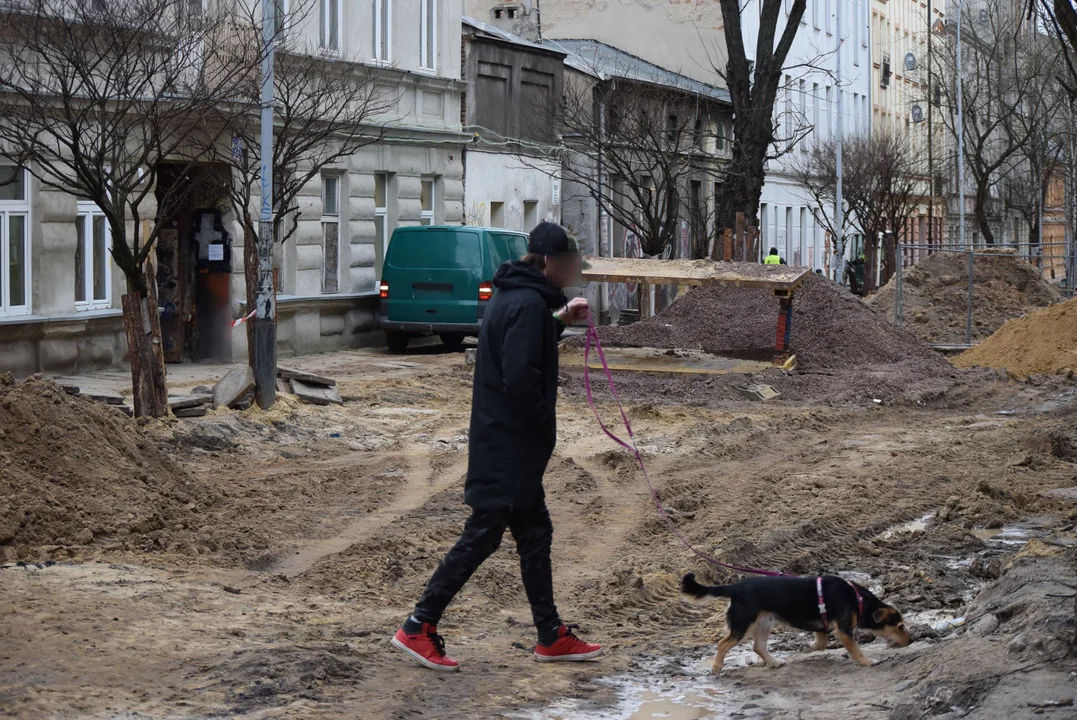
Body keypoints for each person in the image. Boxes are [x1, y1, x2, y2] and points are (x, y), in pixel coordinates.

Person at [391, 221, 602, 672]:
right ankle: (417, 625)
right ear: (547, 262)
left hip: (506, 442)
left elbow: (521, 342)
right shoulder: (526, 303)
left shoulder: (516, 296)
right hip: (510, 445)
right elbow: (519, 376)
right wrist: (545, 425)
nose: (572, 272)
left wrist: (560, 320)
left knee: (535, 535)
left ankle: (550, 636)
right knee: (482, 537)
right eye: (567, 265)